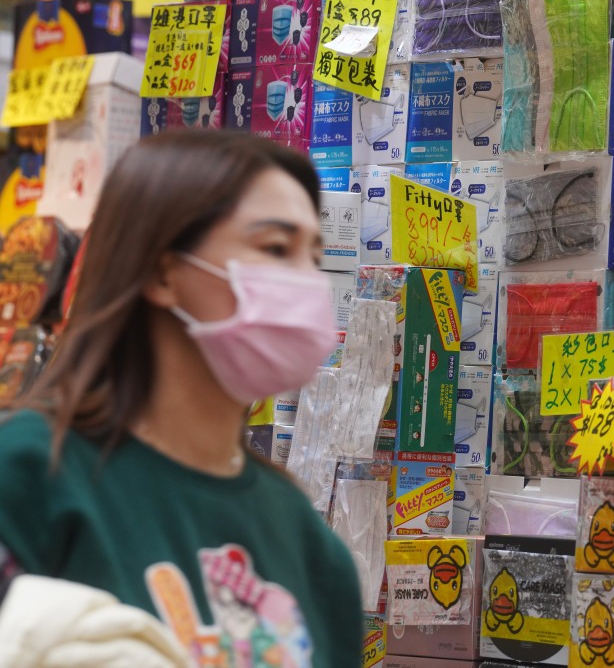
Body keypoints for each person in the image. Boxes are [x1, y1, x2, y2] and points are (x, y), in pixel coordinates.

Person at [0, 131, 361, 667]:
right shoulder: (29, 472)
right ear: (162, 270)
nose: (308, 285)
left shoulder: (311, 545)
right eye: (276, 248)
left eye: (314, 256)